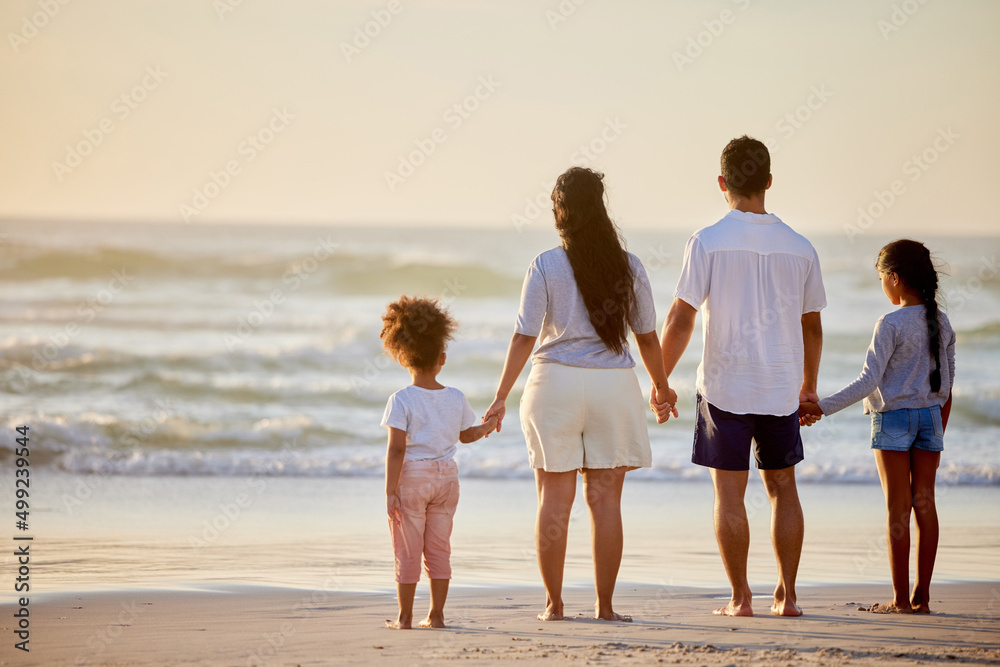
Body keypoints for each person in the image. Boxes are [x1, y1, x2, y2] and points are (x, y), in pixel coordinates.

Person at [483, 166, 676, 622]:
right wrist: (662, 387)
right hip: (613, 386)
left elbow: (523, 337)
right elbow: (647, 337)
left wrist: (500, 396)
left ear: (560, 210)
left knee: (554, 498)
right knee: (606, 500)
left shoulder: (546, 264)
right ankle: (605, 608)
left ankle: (553, 606)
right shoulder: (628, 265)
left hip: (554, 386)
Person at [655, 136, 826, 617]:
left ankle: (740, 598)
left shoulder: (707, 240)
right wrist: (808, 386)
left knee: (728, 493)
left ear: (722, 182)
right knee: (783, 489)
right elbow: (811, 325)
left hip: (725, 389)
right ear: (769, 182)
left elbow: (681, 318)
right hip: (780, 387)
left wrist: (660, 381)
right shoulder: (800, 247)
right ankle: (788, 596)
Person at [800, 240, 955, 614]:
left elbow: (868, 382)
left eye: (882, 278)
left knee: (897, 511)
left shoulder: (890, 323)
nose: (882, 285)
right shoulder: (942, 322)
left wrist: (821, 407)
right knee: (926, 505)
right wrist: (937, 428)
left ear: (896, 278)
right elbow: (946, 388)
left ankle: (900, 600)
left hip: (893, 420)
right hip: (931, 419)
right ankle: (923, 596)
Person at [379, 296, 499, 629]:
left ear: (402, 356)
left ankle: (404, 617)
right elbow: (467, 435)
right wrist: (489, 425)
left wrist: (391, 490)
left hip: (413, 479)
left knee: (407, 547)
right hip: (448, 479)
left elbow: (396, 451)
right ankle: (436, 614)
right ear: (442, 358)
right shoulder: (455, 397)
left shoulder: (401, 399)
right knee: (438, 548)